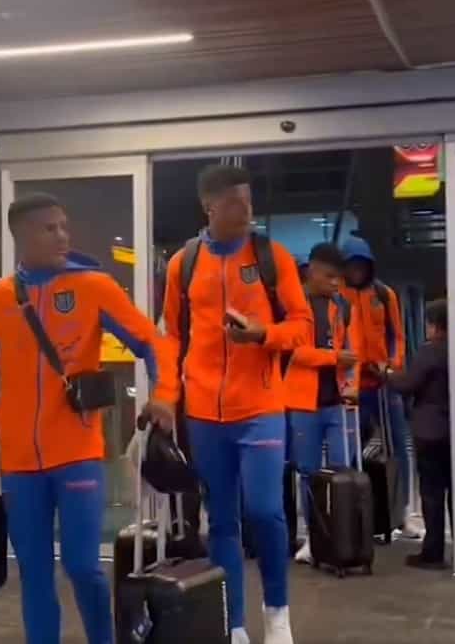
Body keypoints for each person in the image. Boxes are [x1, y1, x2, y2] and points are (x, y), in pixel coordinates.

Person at [0, 193, 176, 644]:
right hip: (19, 464)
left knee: (83, 566)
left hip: (77, 455)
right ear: (21, 235)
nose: (62, 236)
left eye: (63, 226)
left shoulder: (93, 287)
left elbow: (153, 343)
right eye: (49, 228)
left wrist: (164, 395)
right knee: (34, 572)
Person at [162, 164, 310, 644]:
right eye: (233, 202)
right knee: (221, 520)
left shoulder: (271, 257)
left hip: (261, 406)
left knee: (265, 511)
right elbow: (171, 338)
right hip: (204, 413)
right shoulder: (183, 264)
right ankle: (234, 623)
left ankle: (277, 613)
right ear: (208, 206)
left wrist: (264, 334)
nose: (245, 210)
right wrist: (166, 396)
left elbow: (302, 325)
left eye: (248, 200)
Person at [384, 299, 455, 569]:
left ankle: (433, 553)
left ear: (436, 325)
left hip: (431, 432)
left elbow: (408, 384)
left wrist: (386, 374)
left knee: (433, 493)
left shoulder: (430, 351)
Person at [284, 242, 360, 566]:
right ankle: (314, 538)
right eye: (329, 276)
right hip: (303, 403)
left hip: (337, 402)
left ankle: (343, 537)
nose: (334, 283)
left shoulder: (341, 307)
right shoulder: (292, 305)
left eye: (338, 278)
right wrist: (334, 357)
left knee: (343, 469)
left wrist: (352, 387)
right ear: (312, 270)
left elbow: (352, 351)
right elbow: (294, 352)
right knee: (308, 473)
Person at [339, 237, 417, 542]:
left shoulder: (384, 295)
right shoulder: (338, 296)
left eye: (362, 265)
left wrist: (391, 366)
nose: (357, 271)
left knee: (398, 448)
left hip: (383, 384)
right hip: (352, 386)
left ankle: (403, 513)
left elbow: (397, 336)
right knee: (349, 449)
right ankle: (354, 512)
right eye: (352, 265)